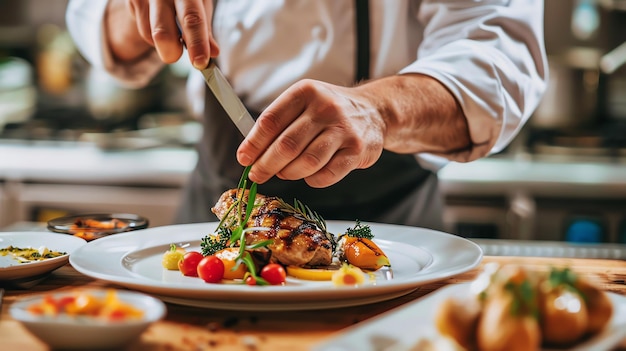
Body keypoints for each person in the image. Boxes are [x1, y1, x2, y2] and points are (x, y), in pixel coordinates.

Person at [65, 0, 547, 231]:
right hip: (212, 223)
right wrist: (139, 13)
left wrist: (376, 110)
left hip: (391, 232)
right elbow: (94, 19)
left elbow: (499, 57)